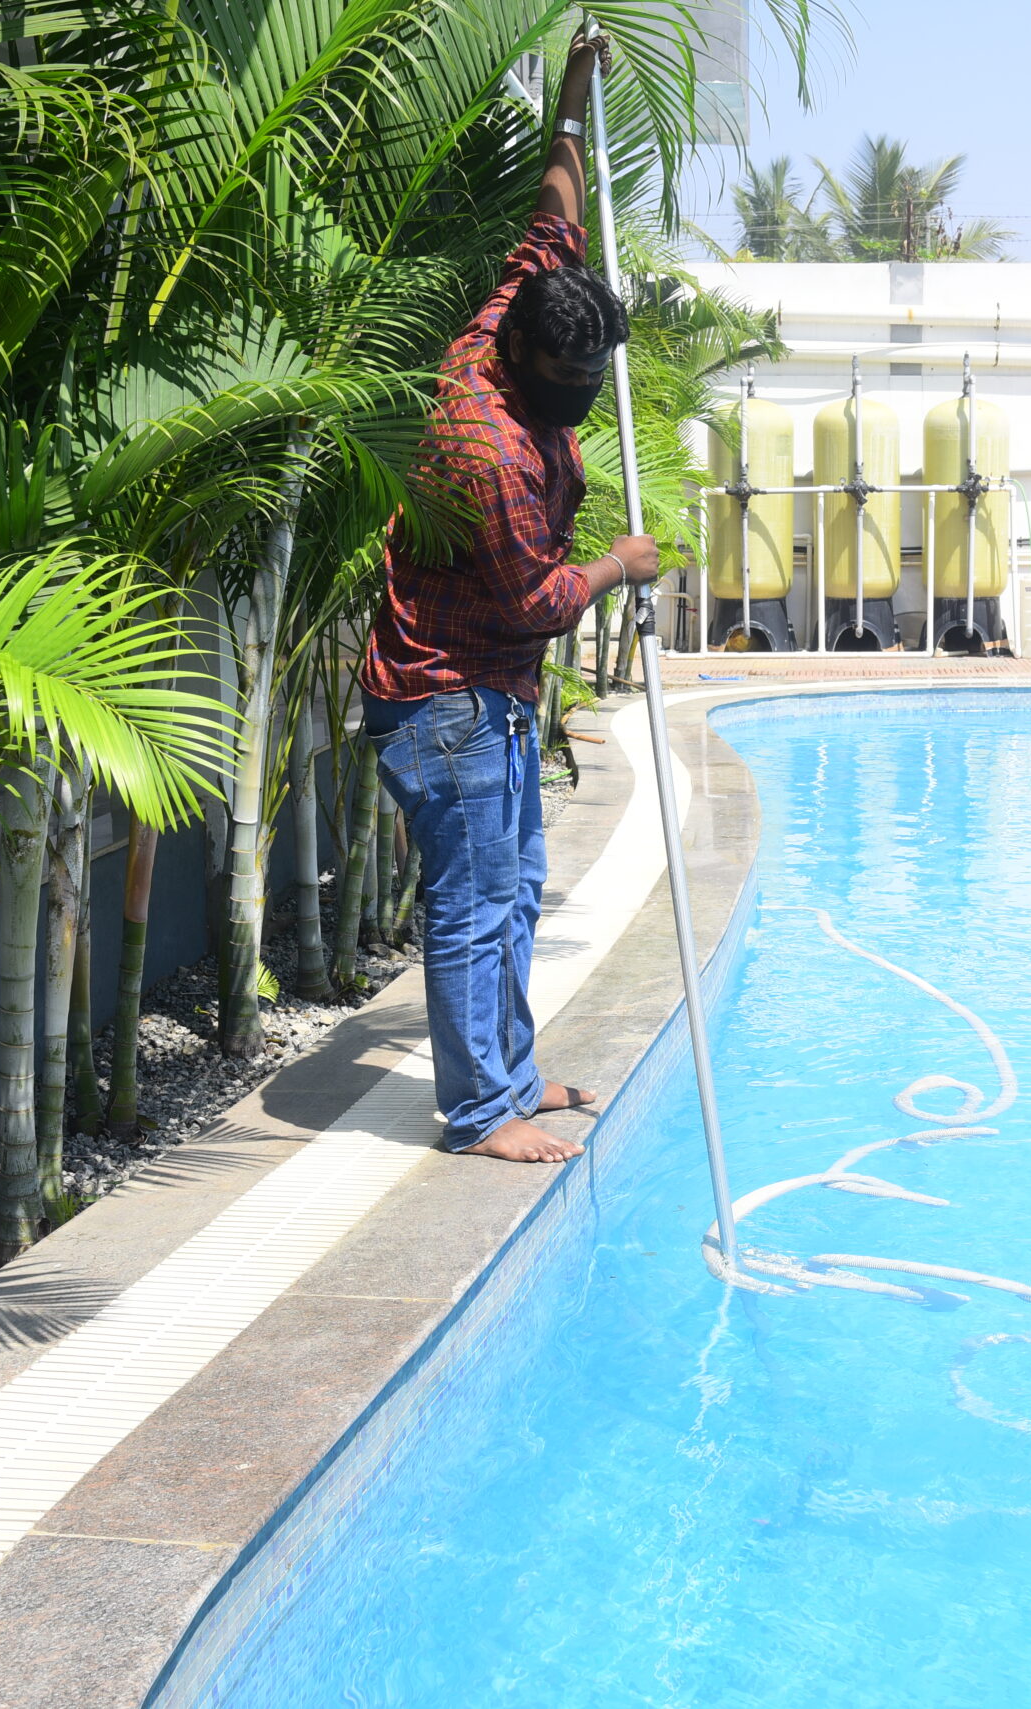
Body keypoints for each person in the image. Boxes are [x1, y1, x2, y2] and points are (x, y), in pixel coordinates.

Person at [358, 30, 659, 1165]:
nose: (583, 406)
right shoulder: (484, 446)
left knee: (518, 890)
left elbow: (551, 220)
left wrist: (572, 109)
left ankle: (514, 1076)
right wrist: (621, 566)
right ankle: (481, 1110)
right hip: (449, 700)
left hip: (489, 694)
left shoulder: (519, 318)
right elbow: (537, 596)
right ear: (529, 360)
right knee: (475, 904)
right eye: (572, 390)